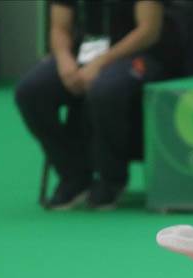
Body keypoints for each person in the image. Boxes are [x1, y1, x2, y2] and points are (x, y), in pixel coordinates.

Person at [15, 0, 183, 210]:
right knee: (31, 92)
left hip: (139, 55)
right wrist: (64, 60)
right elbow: (59, 27)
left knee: (105, 90)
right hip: (81, 55)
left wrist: (101, 63)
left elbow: (148, 31)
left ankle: (111, 179)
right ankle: (73, 174)